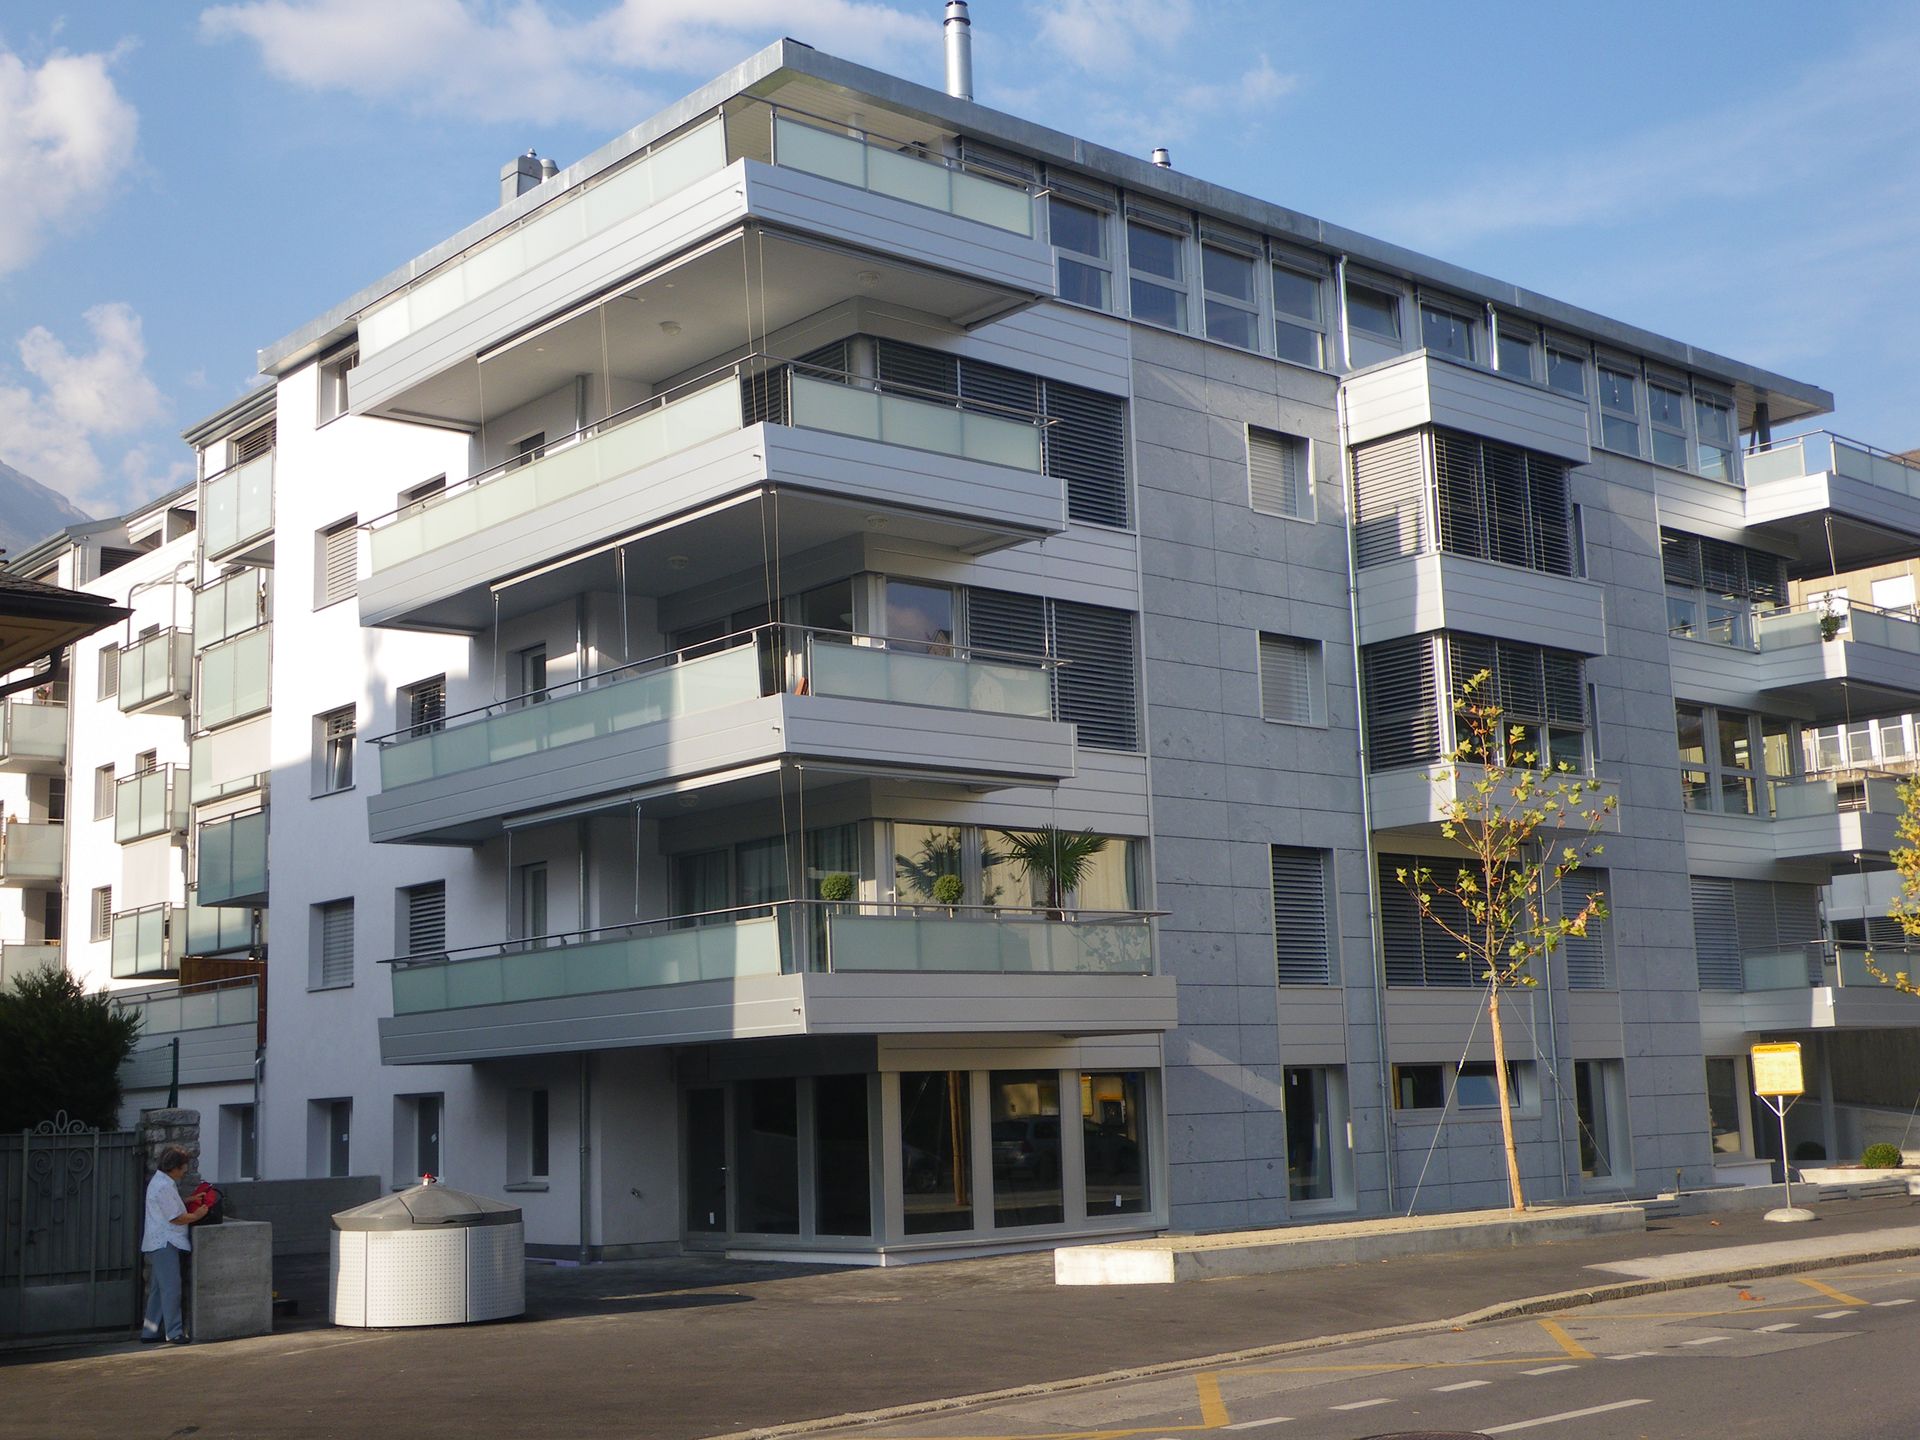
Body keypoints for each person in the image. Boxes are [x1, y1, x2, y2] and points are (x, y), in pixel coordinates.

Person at [141, 1147, 209, 1344]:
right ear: (175, 1168)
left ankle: (150, 1331)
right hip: (166, 1242)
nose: (186, 1170)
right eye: (183, 1166)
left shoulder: (162, 1182)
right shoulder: (164, 1186)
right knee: (171, 1288)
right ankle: (174, 1332)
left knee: (158, 1289)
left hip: (159, 1242)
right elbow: (176, 1217)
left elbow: (169, 1205)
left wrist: (188, 1200)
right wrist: (197, 1214)